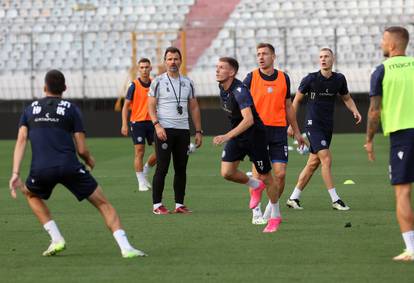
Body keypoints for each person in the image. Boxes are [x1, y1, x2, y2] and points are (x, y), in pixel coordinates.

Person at [8, 70, 145, 258]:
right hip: (69, 166)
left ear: (44, 87)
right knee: (104, 204)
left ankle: (56, 238)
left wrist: (15, 172)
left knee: (31, 194)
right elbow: (81, 149)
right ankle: (126, 247)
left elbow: (21, 139)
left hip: (41, 169)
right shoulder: (71, 109)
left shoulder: (29, 109)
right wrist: (89, 160)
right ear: (65, 88)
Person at [286, 48, 362, 210]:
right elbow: (296, 101)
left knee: (313, 163)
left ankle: (293, 198)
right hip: (313, 125)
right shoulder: (310, 79)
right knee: (326, 159)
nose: (323, 59)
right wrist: (292, 125)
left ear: (332, 59)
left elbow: (347, 98)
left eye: (326, 56)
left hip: (327, 126)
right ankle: (335, 200)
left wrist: (354, 110)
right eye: (320, 57)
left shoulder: (339, 79)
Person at [213, 57, 282, 233]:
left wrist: (226, 136)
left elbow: (249, 119)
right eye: (217, 67)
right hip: (239, 135)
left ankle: (275, 216)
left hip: (254, 136)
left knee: (267, 177)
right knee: (227, 172)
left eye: (222, 68)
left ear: (232, 72)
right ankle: (254, 184)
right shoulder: (222, 87)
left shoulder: (239, 90)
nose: (217, 70)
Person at [365, 26, 414, 261]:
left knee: (403, 193)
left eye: (383, 40)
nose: (381, 44)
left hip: (402, 137)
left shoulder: (381, 71)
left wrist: (369, 140)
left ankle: (411, 249)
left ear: (393, 45)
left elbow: (374, 112)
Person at [243, 43, 305, 225]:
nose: (261, 57)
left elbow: (288, 107)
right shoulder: (251, 78)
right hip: (258, 131)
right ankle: (256, 212)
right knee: (258, 175)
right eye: (258, 54)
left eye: (265, 54)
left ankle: (271, 208)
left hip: (278, 131)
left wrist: (297, 130)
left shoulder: (283, 78)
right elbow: (241, 103)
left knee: (280, 174)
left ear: (273, 57)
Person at [148, 47, 202, 215]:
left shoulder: (188, 82)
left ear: (181, 60)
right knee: (162, 167)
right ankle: (157, 205)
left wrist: (198, 131)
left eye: (176, 59)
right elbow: (150, 105)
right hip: (164, 129)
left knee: (181, 168)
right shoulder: (157, 81)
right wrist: (157, 125)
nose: (173, 62)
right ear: (165, 61)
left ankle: (179, 204)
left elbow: (193, 107)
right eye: (169, 59)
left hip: (183, 130)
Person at [121, 58, 157, 192]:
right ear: (138, 69)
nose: (144, 70)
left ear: (151, 68)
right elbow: (125, 106)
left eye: (147, 67)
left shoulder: (155, 84)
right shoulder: (134, 85)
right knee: (139, 151)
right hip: (138, 122)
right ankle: (141, 181)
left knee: (160, 151)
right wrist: (124, 124)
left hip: (153, 121)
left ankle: (146, 169)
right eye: (142, 67)